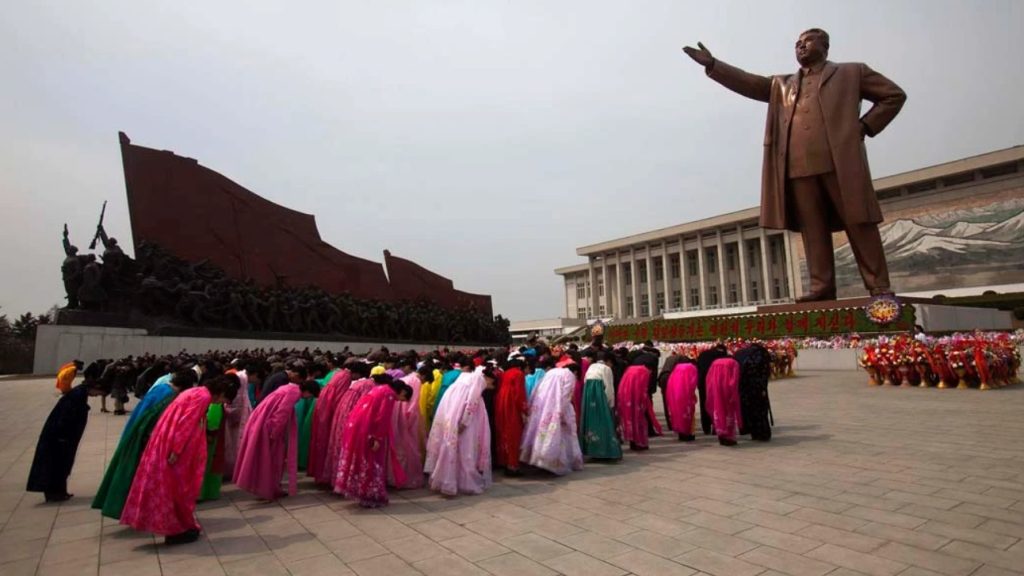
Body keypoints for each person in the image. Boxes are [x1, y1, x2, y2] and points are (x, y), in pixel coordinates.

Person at [683, 29, 906, 301]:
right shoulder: (783, 85)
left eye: (807, 41)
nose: (800, 46)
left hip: (840, 162)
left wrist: (863, 127)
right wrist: (714, 65)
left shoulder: (852, 73)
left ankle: (878, 286)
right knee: (812, 229)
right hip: (796, 167)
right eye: (797, 44)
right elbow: (751, 84)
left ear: (824, 45)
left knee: (859, 221)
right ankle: (821, 287)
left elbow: (893, 95)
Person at [120, 377, 229, 545]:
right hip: (176, 449)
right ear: (219, 393)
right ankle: (175, 530)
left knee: (170, 487)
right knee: (177, 488)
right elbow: (186, 422)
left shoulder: (195, 391)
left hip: (166, 440)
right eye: (223, 398)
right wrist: (176, 450)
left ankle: (179, 526)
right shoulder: (204, 397)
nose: (222, 402)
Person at [92, 370, 197, 519]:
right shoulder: (169, 396)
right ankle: (135, 510)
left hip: (135, 430)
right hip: (144, 438)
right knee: (136, 475)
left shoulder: (160, 388)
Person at [234, 379, 319, 501]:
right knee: (272, 459)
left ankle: (264, 488)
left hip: (261, 420)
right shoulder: (294, 393)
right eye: (310, 395)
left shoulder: (290, 387)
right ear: (308, 391)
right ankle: (268, 489)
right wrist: (274, 433)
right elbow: (282, 413)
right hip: (268, 425)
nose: (307, 398)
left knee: (263, 457)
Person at [334, 377, 413, 507]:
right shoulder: (389, 395)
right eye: (403, 399)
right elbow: (382, 418)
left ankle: (361, 493)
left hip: (357, 427)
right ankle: (370, 495)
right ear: (403, 392)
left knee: (360, 460)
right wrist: (377, 438)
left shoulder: (380, 389)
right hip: (367, 430)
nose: (400, 401)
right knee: (372, 462)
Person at [27, 379, 104, 502]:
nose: (97, 396)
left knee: (63, 465)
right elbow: (66, 417)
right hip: (59, 437)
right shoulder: (77, 395)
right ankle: (53, 493)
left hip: (63, 437)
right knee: (56, 465)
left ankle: (60, 491)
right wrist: (62, 436)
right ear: (95, 387)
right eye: (99, 393)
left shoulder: (79, 394)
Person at [424, 367, 494, 496]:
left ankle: (447, 479)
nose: (490, 385)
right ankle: (464, 481)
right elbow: (471, 403)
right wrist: (464, 422)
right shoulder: (477, 380)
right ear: (487, 377)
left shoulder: (464, 377)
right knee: (466, 449)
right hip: (464, 417)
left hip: (451, 411)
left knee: (451, 446)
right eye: (491, 382)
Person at [520, 363, 585, 475]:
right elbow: (566, 395)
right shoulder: (569, 376)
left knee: (540, 433)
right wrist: (561, 412)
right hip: (556, 408)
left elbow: (537, 388)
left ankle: (538, 459)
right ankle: (554, 462)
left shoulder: (551, 372)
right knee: (561, 435)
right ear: (575, 372)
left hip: (541, 406)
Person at [321, 363, 375, 487]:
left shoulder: (358, 383)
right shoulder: (366, 384)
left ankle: (339, 479)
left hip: (343, 418)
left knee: (341, 447)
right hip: (349, 418)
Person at [307, 365, 353, 484]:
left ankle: (321, 473)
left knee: (321, 440)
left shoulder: (338, 374)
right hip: (329, 409)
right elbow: (338, 398)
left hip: (323, 405)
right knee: (327, 440)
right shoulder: (346, 377)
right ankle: (327, 474)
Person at [199, 375, 240, 501]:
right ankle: (205, 492)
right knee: (209, 465)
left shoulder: (213, 400)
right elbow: (212, 422)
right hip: (212, 439)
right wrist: (211, 434)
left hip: (213, 437)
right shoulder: (216, 404)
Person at [579, 351, 622, 460]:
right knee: (604, 422)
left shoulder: (591, 366)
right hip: (599, 395)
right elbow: (609, 388)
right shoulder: (607, 369)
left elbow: (585, 381)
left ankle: (591, 450)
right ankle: (606, 451)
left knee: (591, 422)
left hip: (589, 396)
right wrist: (610, 403)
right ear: (609, 361)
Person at [390, 363, 426, 489]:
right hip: (405, 411)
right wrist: (410, 420)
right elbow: (413, 401)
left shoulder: (405, 378)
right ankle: (404, 477)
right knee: (408, 447)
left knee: (396, 444)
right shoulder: (416, 381)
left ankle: (393, 476)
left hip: (396, 409)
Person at [494, 357, 528, 475]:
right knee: (513, 433)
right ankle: (512, 465)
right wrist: (524, 408)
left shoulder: (505, 373)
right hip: (511, 405)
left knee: (503, 432)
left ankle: (505, 461)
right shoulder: (519, 374)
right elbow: (519, 394)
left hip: (501, 403)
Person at [617, 363, 660, 451]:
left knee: (630, 420)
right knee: (639, 421)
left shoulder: (629, 372)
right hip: (637, 401)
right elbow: (643, 390)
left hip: (626, 399)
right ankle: (640, 443)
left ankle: (633, 442)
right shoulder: (643, 372)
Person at [734, 345, 773, 442]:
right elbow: (764, 373)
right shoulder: (762, 355)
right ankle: (763, 433)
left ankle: (755, 433)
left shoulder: (742, 354)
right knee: (760, 411)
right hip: (758, 388)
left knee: (751, 411)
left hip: (746, 388)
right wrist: (763, 388)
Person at [705, 357, 742, 446]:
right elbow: (734, 380)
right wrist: (733, 393)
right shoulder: (733, 363)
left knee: (718, 410)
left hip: (715, 388)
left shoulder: (714, 362)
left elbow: (708, 378)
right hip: (727, 389)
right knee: (728, 412)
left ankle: (721, 435)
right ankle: (729, 437)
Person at [664, 361, 698, 442]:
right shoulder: (691, 369)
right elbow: (693, 383)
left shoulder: (675, 371)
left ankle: (681, 433)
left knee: (677, 413)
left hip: (674, 394)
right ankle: (687, 433)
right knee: (688, 414)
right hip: (686, 395)